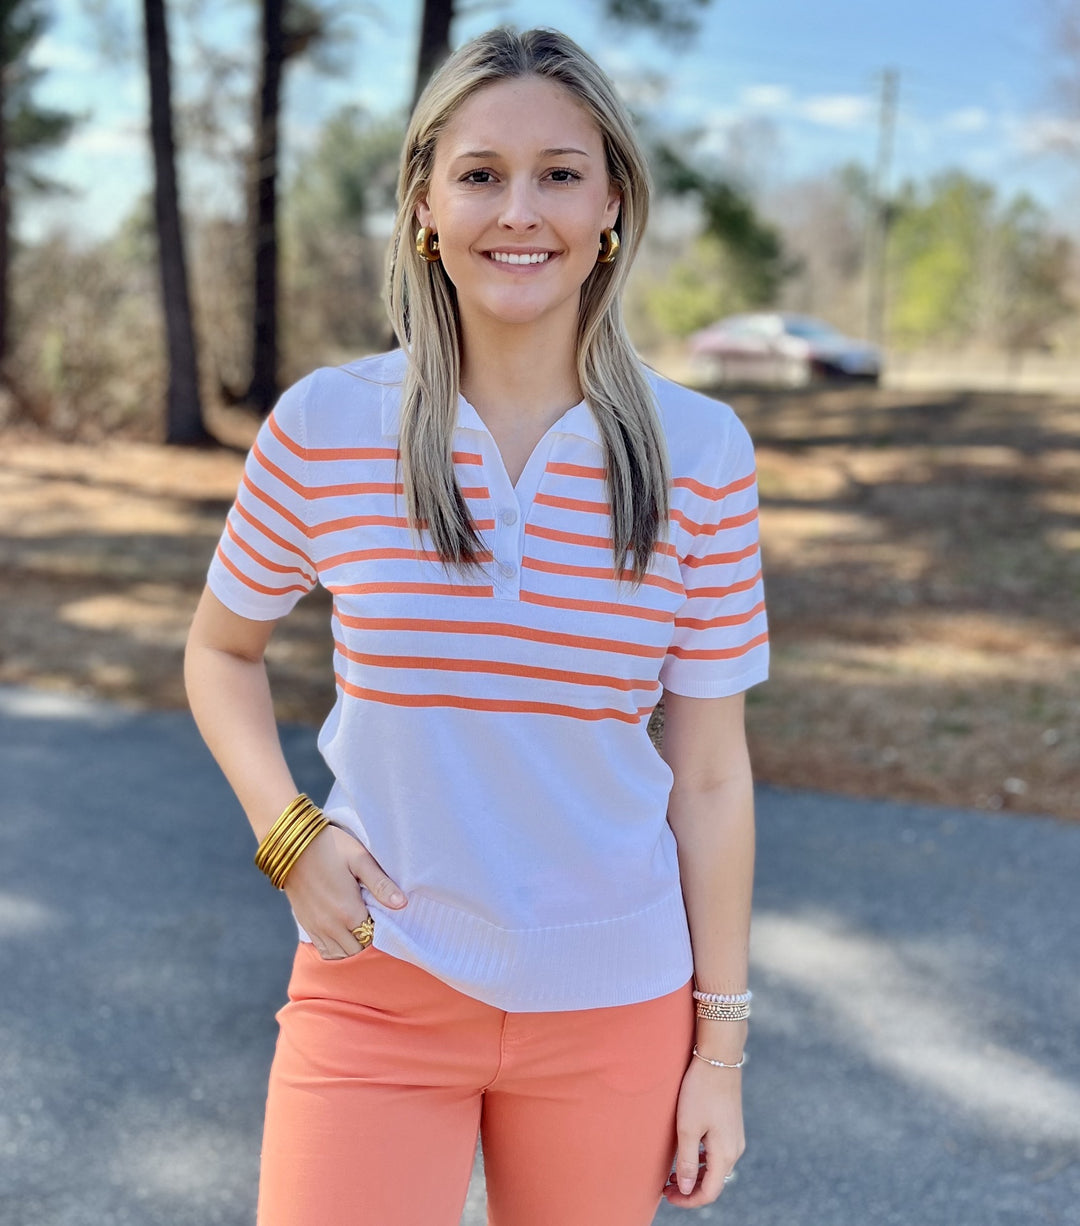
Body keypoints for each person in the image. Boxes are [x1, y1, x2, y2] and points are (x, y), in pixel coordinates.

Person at [184, 24, 768, 1226]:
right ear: (423, 204)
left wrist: (719, 1052)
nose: (521, 211)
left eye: (560, 172)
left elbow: (709, 774)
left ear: (612, 201)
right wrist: (287, 830)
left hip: (616, 1006)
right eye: (480, 173)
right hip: (376, 987)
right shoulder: (328, 424)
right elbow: (220, 649)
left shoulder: (701, 450)